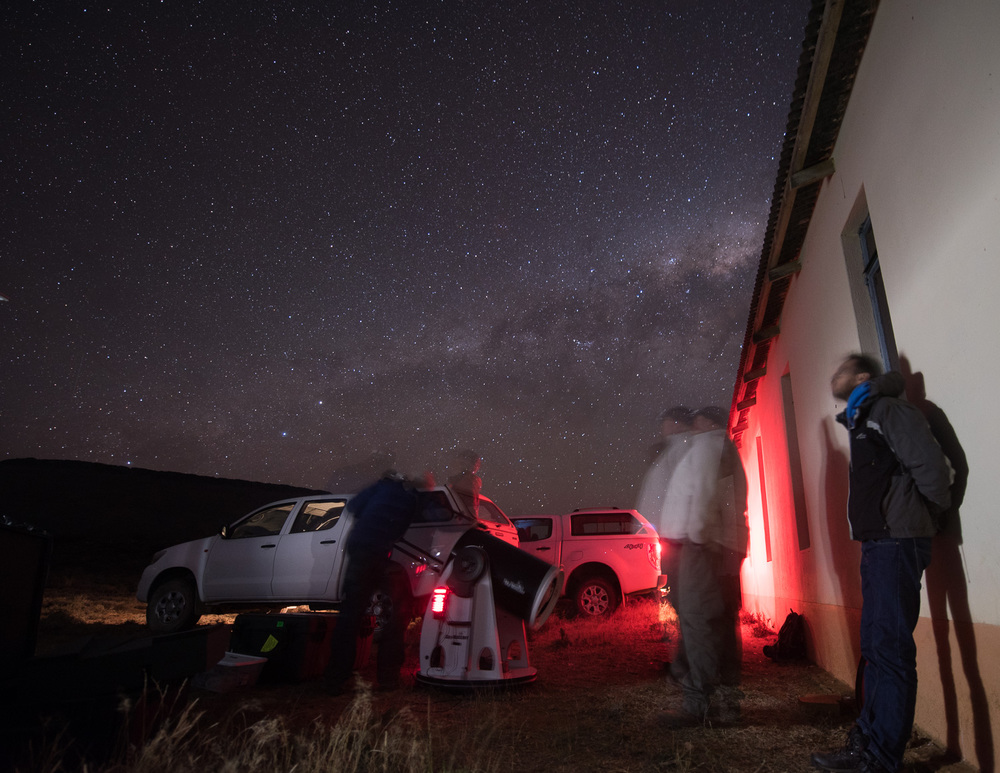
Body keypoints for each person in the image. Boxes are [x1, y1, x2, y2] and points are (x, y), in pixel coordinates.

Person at [812, 355, 952, 773]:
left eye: (843, 368)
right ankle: (867, 744)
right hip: (878, 543)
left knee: (889, 650)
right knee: (875, 648)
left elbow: (932, 469)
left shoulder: (887, 410)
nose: (833, 373)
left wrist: (925, 516)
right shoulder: (863, 417)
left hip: (896, 541)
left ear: (862, 377)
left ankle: (881, 758)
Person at [638, 405, 730, 725]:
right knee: (687, 611)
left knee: (694, 615)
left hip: (688, 544)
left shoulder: (694, 448)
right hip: (682, 541)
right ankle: (689, 673)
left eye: (666, 422)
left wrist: (695, 538)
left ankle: (697, 693)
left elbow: (696, 496)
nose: (662, 427)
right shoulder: (685, 449)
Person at [325, 472, 421, 694]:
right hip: (386, 557)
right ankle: (388, 679)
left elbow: (353, 507)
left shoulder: (378, 488)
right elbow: (403, 527)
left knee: (350, 616)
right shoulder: (409, 498)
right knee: (396, 615)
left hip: (360, 553)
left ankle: (334, 680)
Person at [692, 406, 748, 698]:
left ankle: (726, 674)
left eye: (700, 423)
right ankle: (722, 671)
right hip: (724, 543)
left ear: (712, 424)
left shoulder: (721, 452)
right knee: (720, 610)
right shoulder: (719, 451)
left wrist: (720, 544)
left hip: (725, 545)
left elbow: (728, 501)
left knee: (723, 611)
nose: (696, 430)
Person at [447, 449, 482, 518]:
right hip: (464, 519)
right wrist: (474, 519)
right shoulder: (471, 480)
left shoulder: (457, 481)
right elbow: (471, 504)